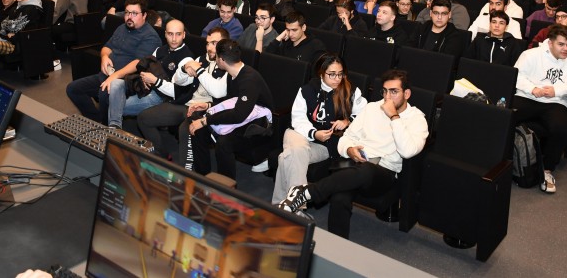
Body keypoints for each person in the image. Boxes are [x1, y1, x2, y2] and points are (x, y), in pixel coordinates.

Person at [277, 69, 428, 239]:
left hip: (383, 174)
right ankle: (337, 244)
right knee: (340, 198)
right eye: (385, 91)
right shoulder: (371, 108)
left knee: (367, 170)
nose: (387, 97)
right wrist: (350, 150)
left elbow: (407, 152)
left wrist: (394, 117)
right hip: (355, 166)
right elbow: (346, 138)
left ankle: (308, 192)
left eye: (394, 92)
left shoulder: (417, 119)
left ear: (406, 94)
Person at [271, 53, 368, 205]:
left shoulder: (351, 91)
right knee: (297, 149)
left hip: (326, 144)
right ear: (321, 73)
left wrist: (348, 121)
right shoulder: (307, 90)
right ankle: (295, 208)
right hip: (298, 134)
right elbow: (298, 119)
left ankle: (281, 205)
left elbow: (365, 113)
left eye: (340, 74)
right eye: (332, 74)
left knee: (289, 156)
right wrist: (314, 133)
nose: (337, 79)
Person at [180, 39, 273, 179]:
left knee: (224, 143)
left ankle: (227, 187)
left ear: (221, 59)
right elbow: (230, 102)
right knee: (197, 128)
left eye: (216, 56)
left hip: (259, 123)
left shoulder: (249, 79)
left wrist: (206, 121)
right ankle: (202, 176)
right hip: (244, 114)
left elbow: (238, 115)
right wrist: (208, 105)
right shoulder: (231, 73)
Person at [512, 24, 567, 194]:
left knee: (562, 128)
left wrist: (558, 90)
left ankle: (547, 170)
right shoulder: (531, 54)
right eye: (561, 44)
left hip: (555, 102)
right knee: (505, 115)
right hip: (528, 97)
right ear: (550, 43)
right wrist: (533, 89)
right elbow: (516, 75)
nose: (566, 49)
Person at [66, 0, 162, 123]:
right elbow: (107, 47)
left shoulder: (150, 36)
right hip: (107, 75)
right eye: (127, 12)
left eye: (134, 13)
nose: (129, 17)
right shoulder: (122, 28)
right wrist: (104, 57)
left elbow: (138, 63)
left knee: (104, 93)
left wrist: (115, 76)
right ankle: (97, 120)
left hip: (127, 81)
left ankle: (105, 125)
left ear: (144, 15)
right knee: (73, 89)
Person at [138, 28, 230, 159]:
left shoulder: (228, 65)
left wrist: (198, 70)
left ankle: (184, 170)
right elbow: (177, 82)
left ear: (224, 44)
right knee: (144, 118)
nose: (209, 48)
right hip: (186, 104)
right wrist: (184, 69)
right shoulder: (200, 59)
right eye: (208, 43)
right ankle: (161, 155)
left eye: (214, 43)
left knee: (185, 130)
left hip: (205, 109)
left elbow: (217, 92)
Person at [106, 19, 194, 129]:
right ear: (165, 34)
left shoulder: (187, 60)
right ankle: (115, 126)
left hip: (161, 97)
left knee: (116, 107)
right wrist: (144, 77)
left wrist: (155, 81)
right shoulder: (160, 50)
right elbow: (146, 66)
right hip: (145, 87)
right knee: (116, 83)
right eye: (170, 34)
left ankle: (114, 127)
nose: (174, 39)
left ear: (184, 35)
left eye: (178, 34)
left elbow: (176, 93)